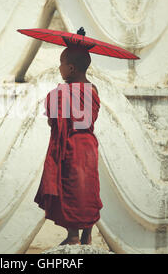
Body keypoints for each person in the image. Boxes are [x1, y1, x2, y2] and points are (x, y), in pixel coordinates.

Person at [34, 46, 102, 245]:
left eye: (62, 63)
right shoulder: (93, 89)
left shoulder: (58, 93)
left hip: (69, 148)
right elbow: (93, 117)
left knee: (71, 189)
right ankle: (87, 233)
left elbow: (53, 122)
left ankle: (73, 235)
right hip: (88, 147)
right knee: (88, 186)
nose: (59, 67)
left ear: (71, 68)